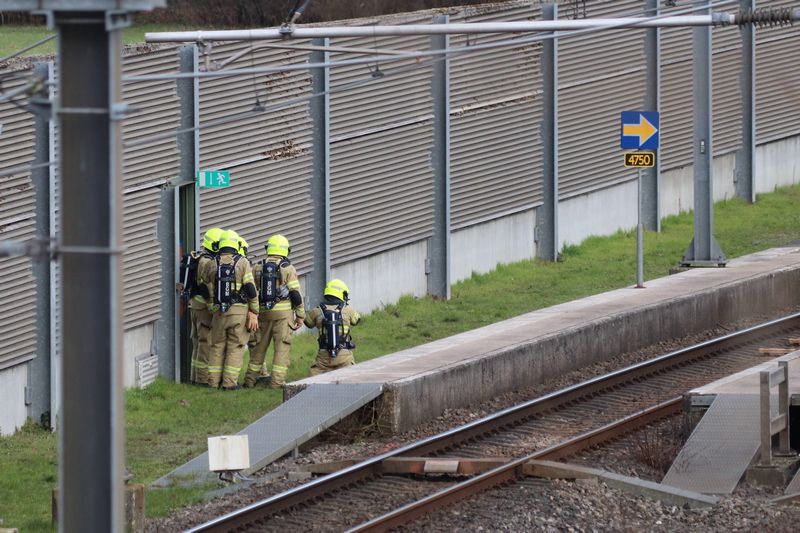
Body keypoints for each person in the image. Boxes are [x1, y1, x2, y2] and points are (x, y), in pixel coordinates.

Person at [198, 230, 259, 389]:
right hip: (238, 312)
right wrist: (254, 312)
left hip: (219, 312)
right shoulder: (243, 262)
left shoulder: (212, 262)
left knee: (217, 346)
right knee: (236, 347)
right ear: (236, 244)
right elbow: (251, 289)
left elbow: (204, 285)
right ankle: (229, 384)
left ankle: (213, 383)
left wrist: (212, 305)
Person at [244, 234, 305, 389]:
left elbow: (251, 290)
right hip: (283, 315)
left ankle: (250, 380)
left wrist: (253, 312)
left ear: (268, 249)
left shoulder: (257, 267)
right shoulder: (288, 268)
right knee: (281, 348)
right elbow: (295, 294)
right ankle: (277, 383)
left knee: (259, 347)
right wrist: (300, 316)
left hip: (263, 313)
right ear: (286, 250)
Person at [183, 227, 223, 385]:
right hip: (203, 308)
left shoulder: (199, 257)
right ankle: (202, 379)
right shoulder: (208, 261)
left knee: (197, 343)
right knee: (206, 343)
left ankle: (194, 377)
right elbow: (206, 286)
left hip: (194, 305)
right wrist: (212, 305)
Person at [304, 279, 360, 376]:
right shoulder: (348, 310)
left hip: (324, 357)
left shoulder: (317, 311)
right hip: (344, 356)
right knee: (350, 379)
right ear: (342, 294)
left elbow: (308, 323)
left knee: (312, 382)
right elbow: (357, 320)